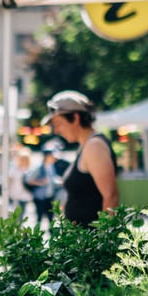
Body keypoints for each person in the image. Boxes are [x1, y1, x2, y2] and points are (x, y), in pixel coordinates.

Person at [44, 90, 119, 226]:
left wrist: (105, 235)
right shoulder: (85, 146)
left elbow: (111, 196)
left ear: (75, 118)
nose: (56, 130)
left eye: (58, 124)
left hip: (93, 236)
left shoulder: (94, 145)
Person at [26, 148, 62, 228]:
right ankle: (37, 232)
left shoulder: (51, 167)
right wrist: (40, 182)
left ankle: (51, 232)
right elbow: (29, 180)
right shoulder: (38, 168)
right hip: (40, 198)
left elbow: (52, 178)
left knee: (50, 217)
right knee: (39, 217)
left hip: (49, 197)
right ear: (47, 156)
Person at [7, 151, 33, 219]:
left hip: (25, 194)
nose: (23, 161)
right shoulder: (14, 169)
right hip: (15, 193)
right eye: (22, 159)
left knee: (22, 212)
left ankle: (20, 223)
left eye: (25, 159)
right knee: (14, 212)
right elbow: (9, 180)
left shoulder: (29, 170)